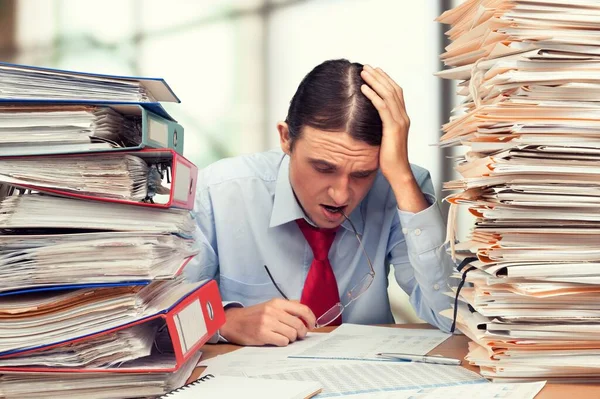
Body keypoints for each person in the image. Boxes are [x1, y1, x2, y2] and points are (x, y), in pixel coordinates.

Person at [186, 59, 456, 347]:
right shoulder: (218, 192)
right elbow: (153, 316)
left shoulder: (400, 187)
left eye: (362, 174)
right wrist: (226, 321)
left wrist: (401, 177)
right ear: (286, 138)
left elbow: (453, 318)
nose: (340, 195)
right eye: (323, 168)